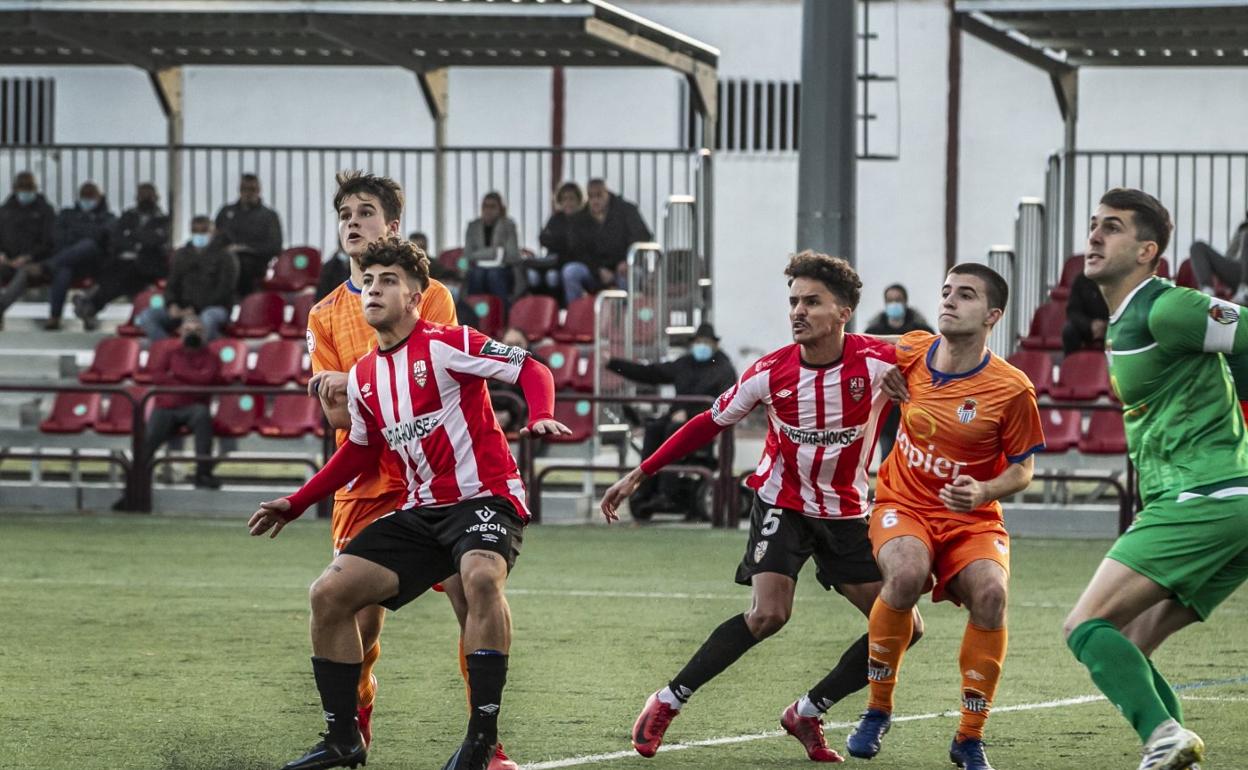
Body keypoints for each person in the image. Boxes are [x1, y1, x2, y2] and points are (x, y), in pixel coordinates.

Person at [249, 236, 569, 770]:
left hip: (484, 497)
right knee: (328, 594)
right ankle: (343, 741)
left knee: (482, 578)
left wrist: (538, 414)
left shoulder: (447, 342)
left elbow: (532, 368)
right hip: (422, 512)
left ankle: (482, 743)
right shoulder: (366, 377)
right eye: (368, 281)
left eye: (388, 281)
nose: (373, 289)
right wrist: (299, 500)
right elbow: (359, 449)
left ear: (416, 297)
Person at [601, 251, 923, 764]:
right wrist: (641, 472)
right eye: (793, 300)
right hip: (783, 504)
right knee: (769, 614)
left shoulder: (882, 361)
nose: (797, 311)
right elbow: (707, 423)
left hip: (846, 513)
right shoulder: (769, 372)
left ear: (844, 312)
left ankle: (809, 711)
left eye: (812, 302)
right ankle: (667, 701)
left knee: (903, 627)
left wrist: (915, 392)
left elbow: (949, 368)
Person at [304, 171, 518, 770]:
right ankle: (352, 733)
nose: (353, 220)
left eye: (366, 211)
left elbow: (426, 372)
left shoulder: (432, 294)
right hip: (367, 484)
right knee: (360, 623)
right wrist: (347, 395)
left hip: (436, 481)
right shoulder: (324, 315)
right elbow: (339, 418)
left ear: (391, 225)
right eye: (344, 211)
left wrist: (357, 385)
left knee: (474, 594)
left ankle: (488, 743)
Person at [1064, 188, 1248, 770]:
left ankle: (1163, 738)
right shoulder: (1125, 321)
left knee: (1085, 626)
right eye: (1093, 225)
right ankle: (1172, 751)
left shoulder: (1167, 307)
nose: (1094, 236)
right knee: (1132, 642)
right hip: (1210, 499)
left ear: (1148, 251)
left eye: (1111, 228)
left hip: (1206, 495)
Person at [846, 263, 1045, 770]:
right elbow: (849, 349)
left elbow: (1023, 472)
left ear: (992, 315)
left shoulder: (1012, 388)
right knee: (907, 573)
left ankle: (968, 737)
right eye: (946, 292)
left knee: (993, 595)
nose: (950, 301)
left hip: (971, 518)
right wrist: (877, 374)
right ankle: (877, 709)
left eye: (967, 295)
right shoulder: (911, 349)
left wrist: (983, 490)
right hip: (903, 503)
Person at [605, 322, 736, 519]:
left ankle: (668, 491)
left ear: (714, 345)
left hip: (704, 422)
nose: (701, 346)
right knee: (654, 428)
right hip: (677, 417)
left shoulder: (724, 369)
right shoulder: (684, 364)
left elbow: (726, 403)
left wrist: (690, 413)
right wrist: (614, 364)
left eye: (705, 342)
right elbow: (650, 373)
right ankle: (643, 490)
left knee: (673, 429)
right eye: (698, 342)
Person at [140, 314, 223, 490]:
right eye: (188, 330)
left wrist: (176, 375)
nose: (193, 333)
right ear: (180, 332)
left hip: (194, 407)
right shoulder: (169, 353)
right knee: (149, 438)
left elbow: (206, 379)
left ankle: (203, 474)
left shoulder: (212, 356)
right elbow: (158, 377)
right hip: (167, 406)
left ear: (205, 333)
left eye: (197, 330)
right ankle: (136, 480)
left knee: (202, 417)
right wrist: (191, 382)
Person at [74, 183, 171, 331]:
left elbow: (155, 241)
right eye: (142, 195)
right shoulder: (128, 215)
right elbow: (118, 238)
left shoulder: (163, 220)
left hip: (149, 265)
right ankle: (91, 305)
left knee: (120, 276)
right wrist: (139, 241)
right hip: (123, 264)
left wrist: (133, 238)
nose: (144, 198)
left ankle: (91, 303)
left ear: (156, 197)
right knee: (120, 275)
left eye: (148, 195)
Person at [139, 217, 237, 343]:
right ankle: (169, 349)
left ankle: (199, 351)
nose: (199, 235)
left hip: (214, 308)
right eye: (195, 231)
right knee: (147, 316)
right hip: (181, 308)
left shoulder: (226, 257)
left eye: (204, 231)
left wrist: (194, 309)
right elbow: (171, 285)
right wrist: (172, 304)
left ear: (213, 232)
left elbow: (224, 291)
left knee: (207, 318)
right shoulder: (181, 255)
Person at [864, 284, 933, 460]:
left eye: (898, 300)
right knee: (887, 453)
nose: (894, 304)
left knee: (912, 454)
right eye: (890, 300)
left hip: (913, 400)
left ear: (905, 302)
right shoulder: (874, 331)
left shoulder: (921, 331)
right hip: (885, 401)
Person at [37, 181, 116, 330]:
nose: (87, 202)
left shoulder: (108, 218)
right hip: (71, 263)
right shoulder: (67, 215)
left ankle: (48, 265)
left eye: (90, 198)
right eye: (84, 198)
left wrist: (79, 236)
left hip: (95, 264)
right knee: (63, 272)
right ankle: (55, 316)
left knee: (88, 245)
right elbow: (59, 238)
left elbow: (103, 240)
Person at [562, 179, 651, 302]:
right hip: (595, 270)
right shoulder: (580, 219)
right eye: (591, 196)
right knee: (570, 272)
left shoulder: (627, 211)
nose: (595, 201)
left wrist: (627, 260)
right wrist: (597, 270)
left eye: (599, 195)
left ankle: (627, 316)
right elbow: (577, 250)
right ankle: (576, 314)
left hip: (624, 268)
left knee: (631, 276)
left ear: (607, 194)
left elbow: (642, 236)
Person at [0, 171, 56, 331]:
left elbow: (48, 242)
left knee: (24, 274)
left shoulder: (45, 211)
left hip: (34, 263)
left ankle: (1, 306)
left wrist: (28, 257)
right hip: (9, 261)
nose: (24, 194)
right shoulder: (5, 211)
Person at [214, 173, 283, 297]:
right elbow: (216, 238)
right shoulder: (226, 212)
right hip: (224, 259)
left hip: (253, 263)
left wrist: (246, 248)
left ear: (259, 190)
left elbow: (275, 246)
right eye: (244, 189)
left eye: (252, 189)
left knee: (243, 264)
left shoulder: (269, 216)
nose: (248, 193)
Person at [464, 192, 522, 306]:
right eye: (485, 206)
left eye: (492, 206)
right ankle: (477, 316)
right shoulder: (473, 226)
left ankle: (502, 316)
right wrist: (495, 252)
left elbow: (512, 255)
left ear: (500, 209)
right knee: (477, 274)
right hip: (478, 269)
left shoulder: (508, 225)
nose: (488, 210)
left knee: (493, 275)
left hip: (504, 269)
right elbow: (467, 255)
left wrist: (478, 254)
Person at [532, 182, 584, 303]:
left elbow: (575, 244)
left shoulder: (583, 219)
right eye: (564, 199)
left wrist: (557, 240)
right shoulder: (556, 218)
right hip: (554, 261)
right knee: (533, 275)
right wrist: (560, 241)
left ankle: (563, 307)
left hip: (572, 261)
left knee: (553, 277)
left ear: (579, 200)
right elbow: (543, 238)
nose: (568, 203)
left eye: (572, 199)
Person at [1186, 210, 1248, 304]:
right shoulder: (1243, 228)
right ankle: (1207, 291)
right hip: (1237, 269)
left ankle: (1245, 289)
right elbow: (1230, 254)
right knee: (1197, 246)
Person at [1061, 272, 1110, 355]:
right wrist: (1090, 325)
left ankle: (1113, 366)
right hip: (1088, 326)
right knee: (1069, 330)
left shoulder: (1118, 278)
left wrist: (1106, 326)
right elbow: (1073, 311)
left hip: (1111, 326)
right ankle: (1071, 365)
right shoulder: (1081, 279)